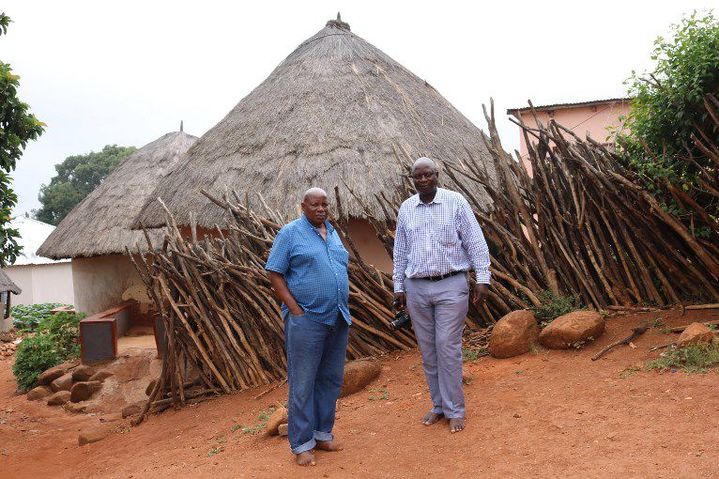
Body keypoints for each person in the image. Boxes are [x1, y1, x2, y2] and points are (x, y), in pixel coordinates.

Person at [393, 157, 490, 434]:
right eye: (417, 177)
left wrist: (482, 279)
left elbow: (475, 242)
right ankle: (439, 406)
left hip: (451, 284)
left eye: (428, 175)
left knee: (447, 345)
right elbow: (400, 252)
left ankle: (455, 409)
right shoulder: (406, 209)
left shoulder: (455, 202)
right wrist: (398, 286)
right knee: (428, 350)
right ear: (412, 180)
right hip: (417, 287)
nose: (423, 180)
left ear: (437, 175)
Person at [265, 187, 351, 466]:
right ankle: (302, 444)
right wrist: (295, 309)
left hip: (337, 316)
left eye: (325, 204)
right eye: (315, 204)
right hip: (307, 319)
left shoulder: (333, 232)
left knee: (330, 379)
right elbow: (274, 272)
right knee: (303, 382)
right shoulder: (290, 233)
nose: (321, 209)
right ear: (303, 206)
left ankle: (322, 434)